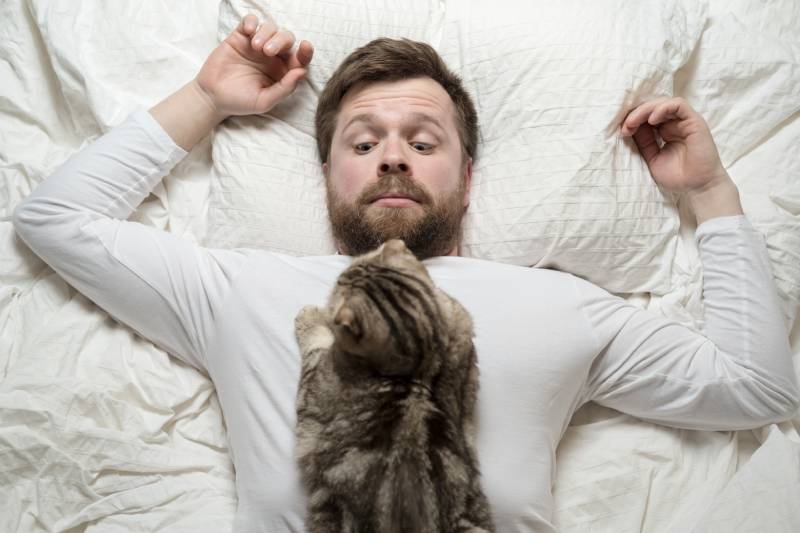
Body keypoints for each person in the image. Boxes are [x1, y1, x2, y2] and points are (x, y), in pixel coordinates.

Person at [11, 12, 799, 533]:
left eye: (423, 141)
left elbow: (754, 391)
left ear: (466, 173)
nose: (392, 153)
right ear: (326, 174)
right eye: (362, 142)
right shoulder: (244, 289)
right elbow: (56, 220)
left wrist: (707, 192)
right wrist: (207, 99)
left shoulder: (562, 304)